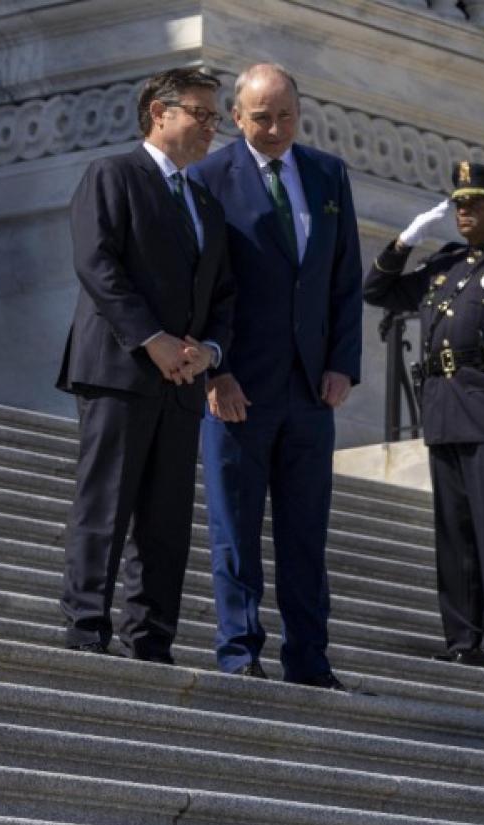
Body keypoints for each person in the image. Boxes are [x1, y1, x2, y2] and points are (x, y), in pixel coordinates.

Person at [188, 63, 361, 689]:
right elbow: (201, 287)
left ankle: (309, 659)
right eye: (261, 117)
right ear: (236, 117)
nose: (275, 128)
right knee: (234, 527)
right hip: (239, 389)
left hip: (310, 390)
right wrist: (217, 371)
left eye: (286, 115)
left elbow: (344, 278)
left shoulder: (327, 174)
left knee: (305, 531)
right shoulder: (209, 179)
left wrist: (344, 364)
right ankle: (239, 650)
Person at [57, 66, 235, 662]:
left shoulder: (206, 205)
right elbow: (97, 265)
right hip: (118, 369)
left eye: (215, 117)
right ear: (160, 113)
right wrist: (152, 339)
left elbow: (223, 294)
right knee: (105, 505)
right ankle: (87, 630)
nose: (212, 127)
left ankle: (151, 637)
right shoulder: (112, 175)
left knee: (166, 520)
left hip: (182, 382)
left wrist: (207, 352)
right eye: (201, 114)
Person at [362, 161, 484, 672]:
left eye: (474, 203)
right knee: (452, 530)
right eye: (459, 204)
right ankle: (461, 637)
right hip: (444, 408)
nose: (463, 211)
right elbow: (376, 292)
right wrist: (404, 242)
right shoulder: (442, 266)